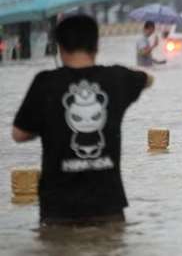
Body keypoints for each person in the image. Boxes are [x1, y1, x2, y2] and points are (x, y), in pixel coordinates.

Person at [11, 14, 153, 225]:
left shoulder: (45, 82)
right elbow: (148, 78)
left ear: (59, 46)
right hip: (108, 207)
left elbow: (19, 134)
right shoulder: (116, 78)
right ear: (97, 45)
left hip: (58, 210)